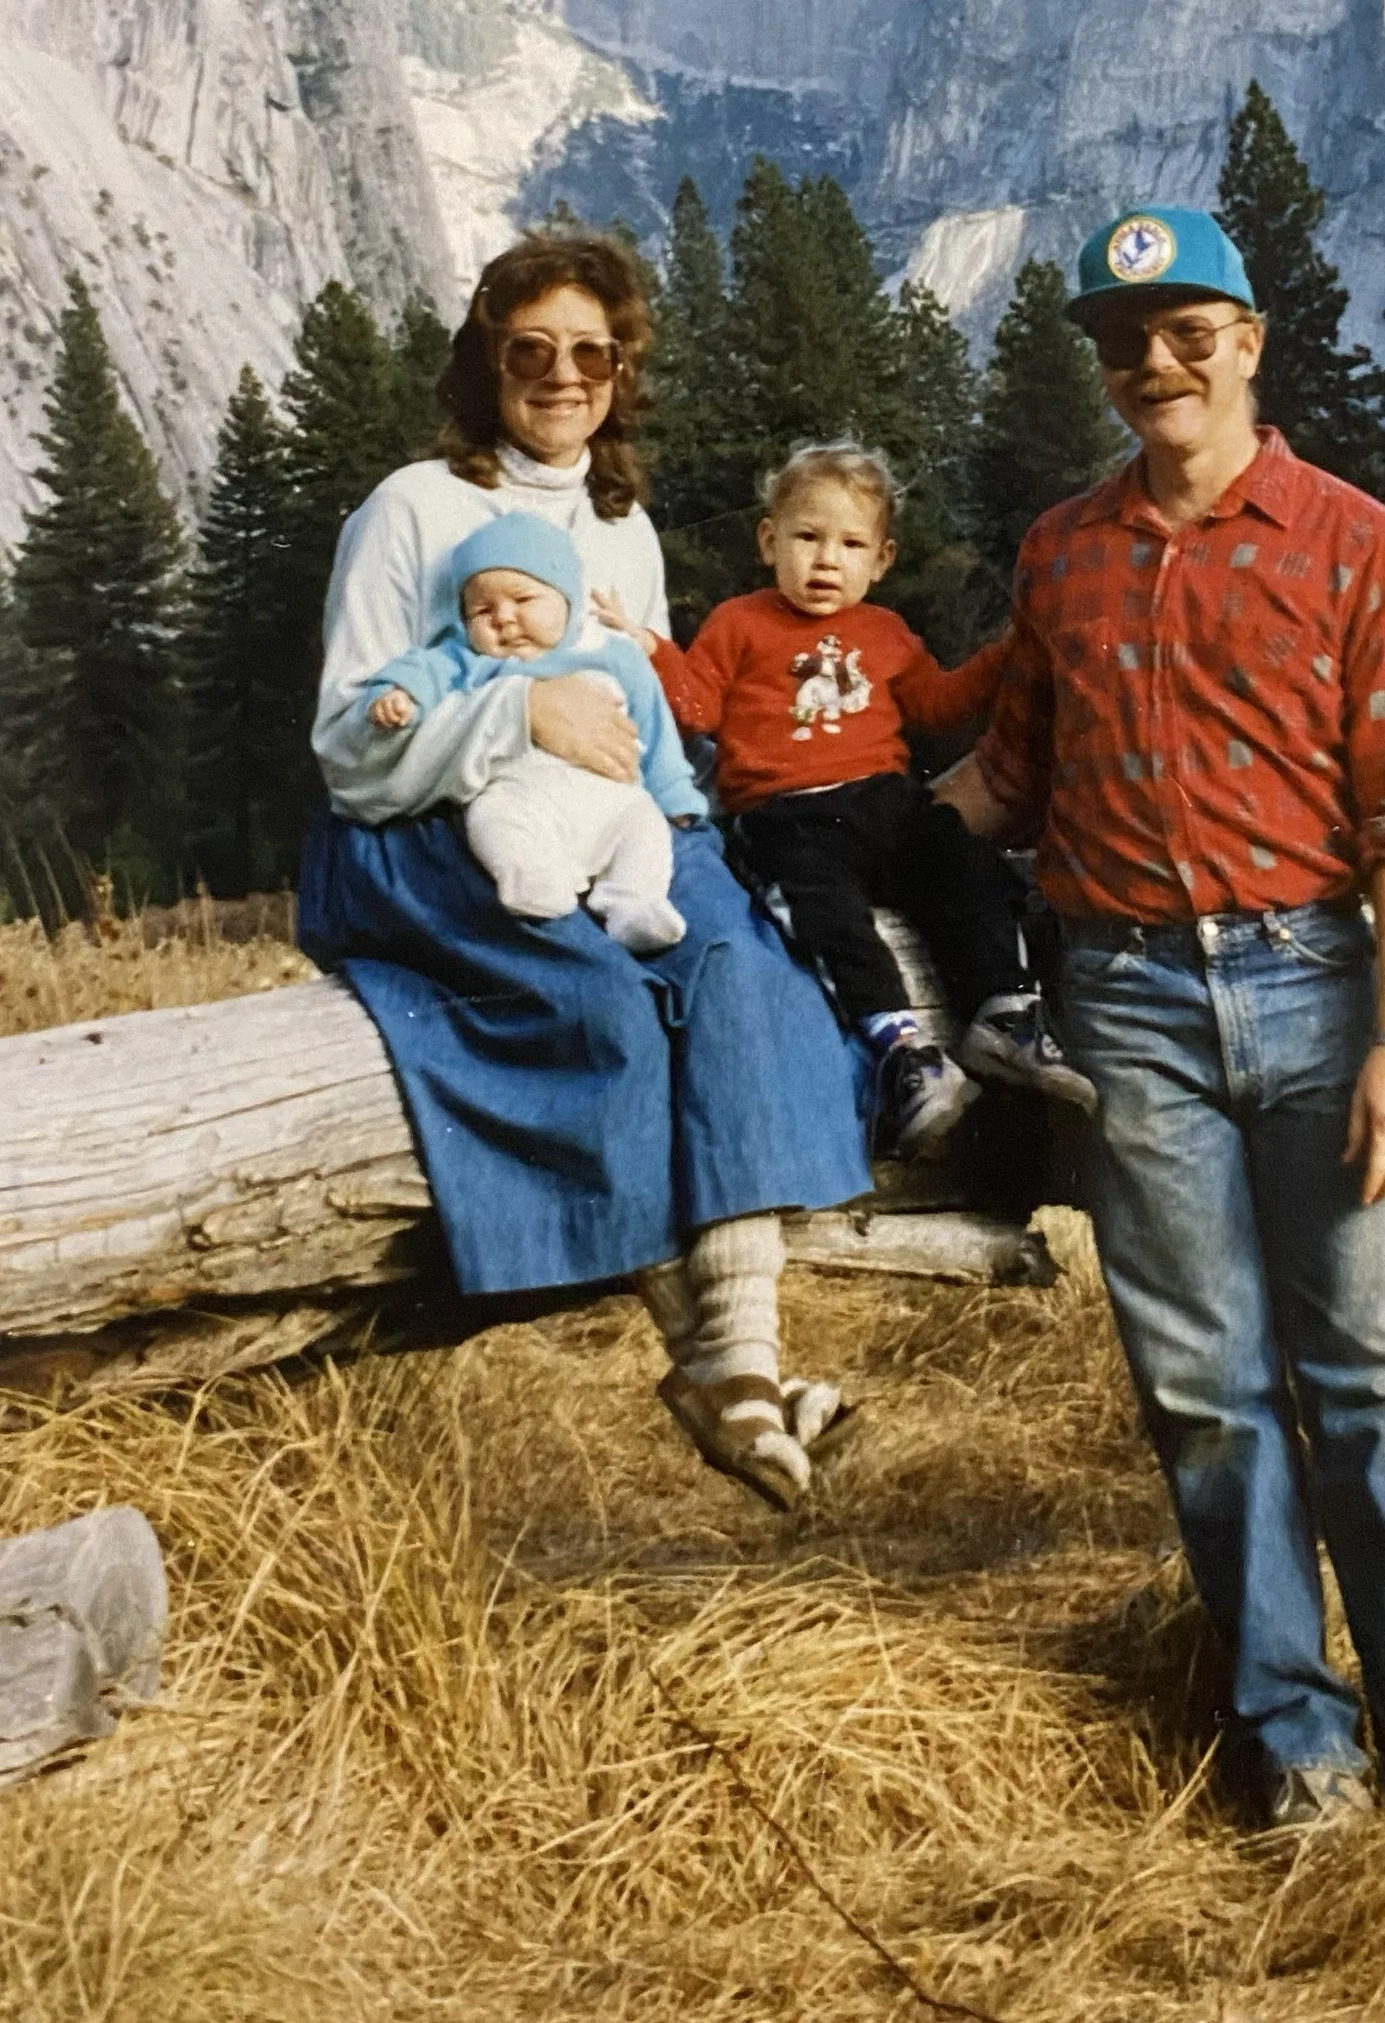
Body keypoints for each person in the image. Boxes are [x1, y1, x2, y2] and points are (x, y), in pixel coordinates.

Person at [938, 203, 1385, 1846]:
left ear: (1247, 342)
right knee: (1204, 1389)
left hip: (1314, 984)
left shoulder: (1357, 545)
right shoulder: (1059, 552)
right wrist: (783, 823)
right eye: (1122, 338)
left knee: (1366, 1381)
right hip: (1124, 1001)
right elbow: (1005, 780)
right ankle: (1297, 1737)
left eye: (1186, 329)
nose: (1152, 363)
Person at [299, 231, 872, 1514]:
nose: (563, 377)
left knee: (728, 959)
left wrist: (688, 818)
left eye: (591, 353)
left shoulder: (622, 526)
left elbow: (646, 717)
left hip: (613, 816)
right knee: (597, 1003)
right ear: (484, 362)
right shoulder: (409, 507)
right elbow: (348, 746)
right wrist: (519, 717)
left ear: (621, 370)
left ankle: (750, 1356)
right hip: (428, 832)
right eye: (530, 351)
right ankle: (715, 1368)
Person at [628, 441, 1094, 1159]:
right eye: (806, 537)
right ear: (768, 540)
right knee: (829, 916)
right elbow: (695, 710)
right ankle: (902, 1054)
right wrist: (652, 651)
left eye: (850, 545)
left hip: (886, 801)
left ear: (881, 561)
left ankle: (1003, 1012)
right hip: (789, 813)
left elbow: (940, 705)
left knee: (963, 860)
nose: (825, 561)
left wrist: (1011, 653)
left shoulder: (884, 632)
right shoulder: (738, 623)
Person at [358, 510, 696, 956]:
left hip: (611, 798)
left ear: (566, 598)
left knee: (646, 825)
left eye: (522, 599)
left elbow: (655, 728)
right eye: (482, 609)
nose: (502, 618)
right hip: (521, 793)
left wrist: (675, 796)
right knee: (490, 818)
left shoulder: (612, 656)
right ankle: (534, 882)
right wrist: (397, 695)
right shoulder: (468, 658)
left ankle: (633, 904)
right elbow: (421, 670)